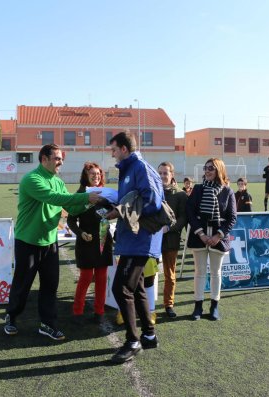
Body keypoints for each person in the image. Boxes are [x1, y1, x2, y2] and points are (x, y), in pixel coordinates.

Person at [3, 144, 101, 340]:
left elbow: (70, 209)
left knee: (50, 286)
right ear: (44, 159)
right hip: (27, 241)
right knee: (22, 285)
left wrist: (89, 203)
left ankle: (47, 324)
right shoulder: (32, 179)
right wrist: (85, 196)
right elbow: (54, 198)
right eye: (56, 158)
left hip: (49, 242)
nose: (61, 161)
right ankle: (12, 316)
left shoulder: (58, 181)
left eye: (61, 158)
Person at [104, 131, 163, 363]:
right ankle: (148, 335)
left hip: (141, 240)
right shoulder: (128, 169)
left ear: (125, 149)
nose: (112, 153)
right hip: (131, 239)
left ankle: (132, 340)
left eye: (114, 149)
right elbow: (133, 201)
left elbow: (153, 201)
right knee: (136, 289)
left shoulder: (140, 167)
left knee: (121, 289)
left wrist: (122, 210)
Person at [186, 158, 237, 321]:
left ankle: (214, 306)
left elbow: (232, 217)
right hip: (199, 236)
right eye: (206, 168)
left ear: (219, 171)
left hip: (218, 238)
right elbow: (190, 213)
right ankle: (198, 307)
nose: (207, 171)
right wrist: (201, 234)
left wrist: (217, 236)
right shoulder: (198, 189)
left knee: (216, 273)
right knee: (199, 272)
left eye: (211, 168)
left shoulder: (227, 191)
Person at [67, 162, 113, 324]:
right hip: (85, 242)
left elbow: (114, 212)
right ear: (85, 176)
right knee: (86, 277)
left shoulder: (106, 194)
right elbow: (71, 220)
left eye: (98, 174)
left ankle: (99, 312)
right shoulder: (80, 194)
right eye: (92, 174)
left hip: (103, 240)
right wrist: (80, 233)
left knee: (101, 278)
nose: (96, 176)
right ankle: (77, 312)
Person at [157, 161, 187, 319]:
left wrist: (169, 228)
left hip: (171, 240)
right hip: (152, 239)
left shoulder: (180, 194)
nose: (162, 176)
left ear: (172, 174)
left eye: (165, 173)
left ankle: (169, 304)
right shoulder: (152, 191)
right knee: (147, 273)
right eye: (160, 173)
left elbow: (183, 218)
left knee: (170, 275)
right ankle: (147, 303)